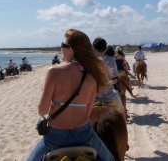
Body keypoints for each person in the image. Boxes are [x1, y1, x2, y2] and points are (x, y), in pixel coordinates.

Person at [26, 29, 114, 161]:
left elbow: (42, 111)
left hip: (55, 137)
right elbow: (88, 112)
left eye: (63, 45)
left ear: (71, 50)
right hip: (84, 136)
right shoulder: (92, 76)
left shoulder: (53, 72)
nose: (60, 48)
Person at [92, 38, 125, 119]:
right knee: (122, 112)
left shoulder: (90, 60)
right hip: (109, 97)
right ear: (105, 48)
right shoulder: (110, 59)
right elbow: (115, 78)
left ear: (93, 47)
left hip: (93, 98)